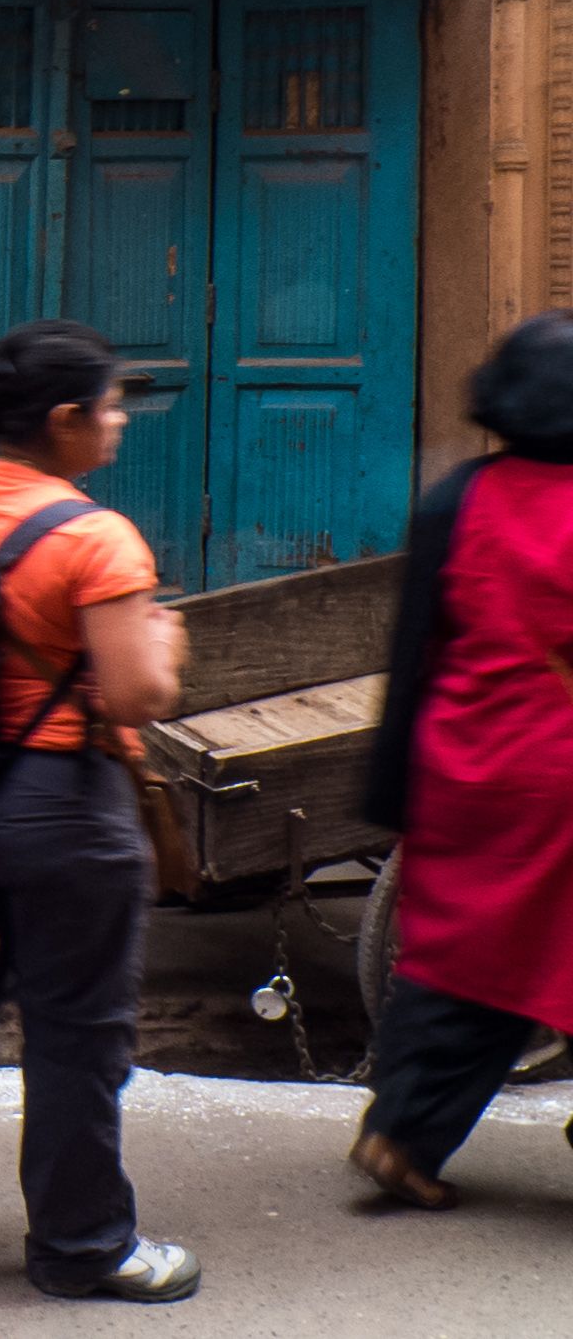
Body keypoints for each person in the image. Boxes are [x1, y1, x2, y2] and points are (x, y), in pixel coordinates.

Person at [0, 321, 199, 1303]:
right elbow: (134, 695)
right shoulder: (92, 537)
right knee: (76, 1036)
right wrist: (163, 642)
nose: (120, 420)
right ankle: (82, 1243)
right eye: (110, 403)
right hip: (64, 808)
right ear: (61, 420)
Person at [353, 310, 573, 1208]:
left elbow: (413, 653)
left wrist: (393, 785)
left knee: (462, 963)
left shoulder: (457, 497)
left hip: (468, 761)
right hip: (560, 768)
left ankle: (400, 1135)